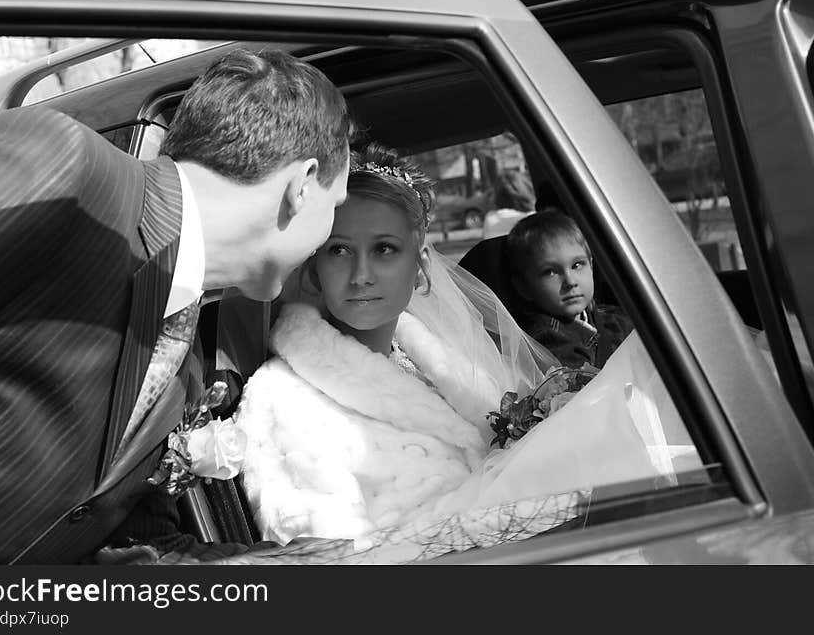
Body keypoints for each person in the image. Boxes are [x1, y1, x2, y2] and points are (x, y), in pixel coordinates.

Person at [0, 47, 351, 564]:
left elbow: (138, 547)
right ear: (300, 186)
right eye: (334, 206)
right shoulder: (65, 166)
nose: (327, 236)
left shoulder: (184, 367)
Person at [229, 144, 689, 553]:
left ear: (421, 266)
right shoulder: (281, 400)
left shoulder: (453, 365)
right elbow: (337, 560)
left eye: (385, 249)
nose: (362, 274)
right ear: (313, 267)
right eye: (339, 251)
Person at [506, 208, 633, 369]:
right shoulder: (549, 341)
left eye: (577, 265)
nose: (570, 281)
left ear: (591, 266)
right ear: (523, 287)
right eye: (551, 272)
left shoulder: (609, 315)